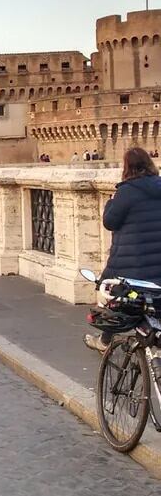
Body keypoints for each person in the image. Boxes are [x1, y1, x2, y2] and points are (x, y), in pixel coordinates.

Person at [85, 148, 161, 352]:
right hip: (158, 267)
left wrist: (110, 201)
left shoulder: (126, 191)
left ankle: (104, 341)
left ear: (127, 167)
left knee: (114, 298)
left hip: (131, 266)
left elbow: (110, 222)